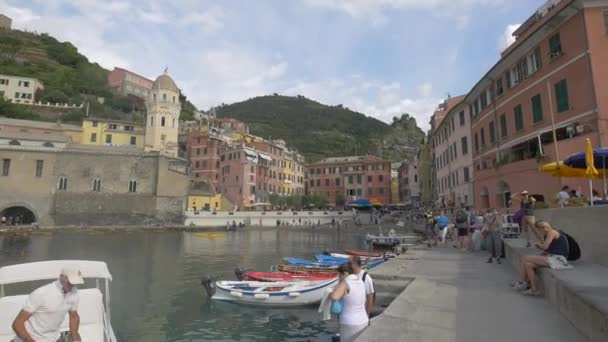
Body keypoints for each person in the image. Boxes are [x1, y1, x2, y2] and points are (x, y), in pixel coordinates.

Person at [12, 267, 83, 342]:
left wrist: (75, 340)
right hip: (29, 339)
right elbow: (17, 324)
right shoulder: (41, 293)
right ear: (61, 277)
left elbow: (74, 316)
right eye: (70, 282)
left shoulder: (74, 293)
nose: (73, 285)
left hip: (54, 338)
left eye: (75, 282)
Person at [511, 220, 570, 296]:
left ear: (544, 228)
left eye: (539, 229)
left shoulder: (552, 232)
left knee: (524, 258)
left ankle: (522, 282)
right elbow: (547, 250)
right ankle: (533, 289)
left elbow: (545, 246)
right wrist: (539, 257)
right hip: (552, 257)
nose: (539, 231)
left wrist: (538, 244)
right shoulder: (547, 235)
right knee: (528, 264)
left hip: (559, 259)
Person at [330, 261, 368, 342]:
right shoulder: (360, 281)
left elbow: (334, 296)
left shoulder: (346, 283)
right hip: (363, 320)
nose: (339, 277)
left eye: (340, 275)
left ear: (345, 273)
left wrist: (339, 283)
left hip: (350, 323)